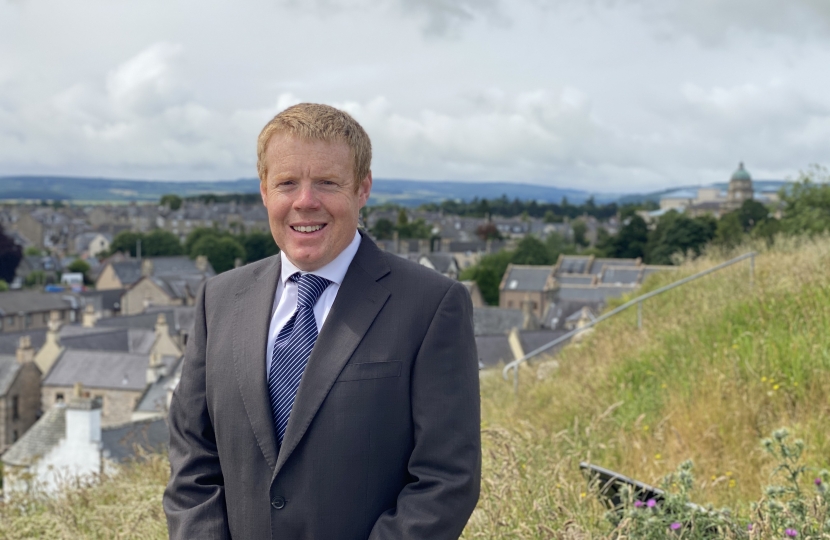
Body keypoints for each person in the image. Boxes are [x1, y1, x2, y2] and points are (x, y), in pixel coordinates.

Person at [163, 103, 481, 539]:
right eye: (287, 183)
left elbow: (446, 480)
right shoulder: (217, 300)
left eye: (328, 183)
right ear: (264, 191)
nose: (305, 202)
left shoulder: (431, 305)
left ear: (362, 188)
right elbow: (192, 459)